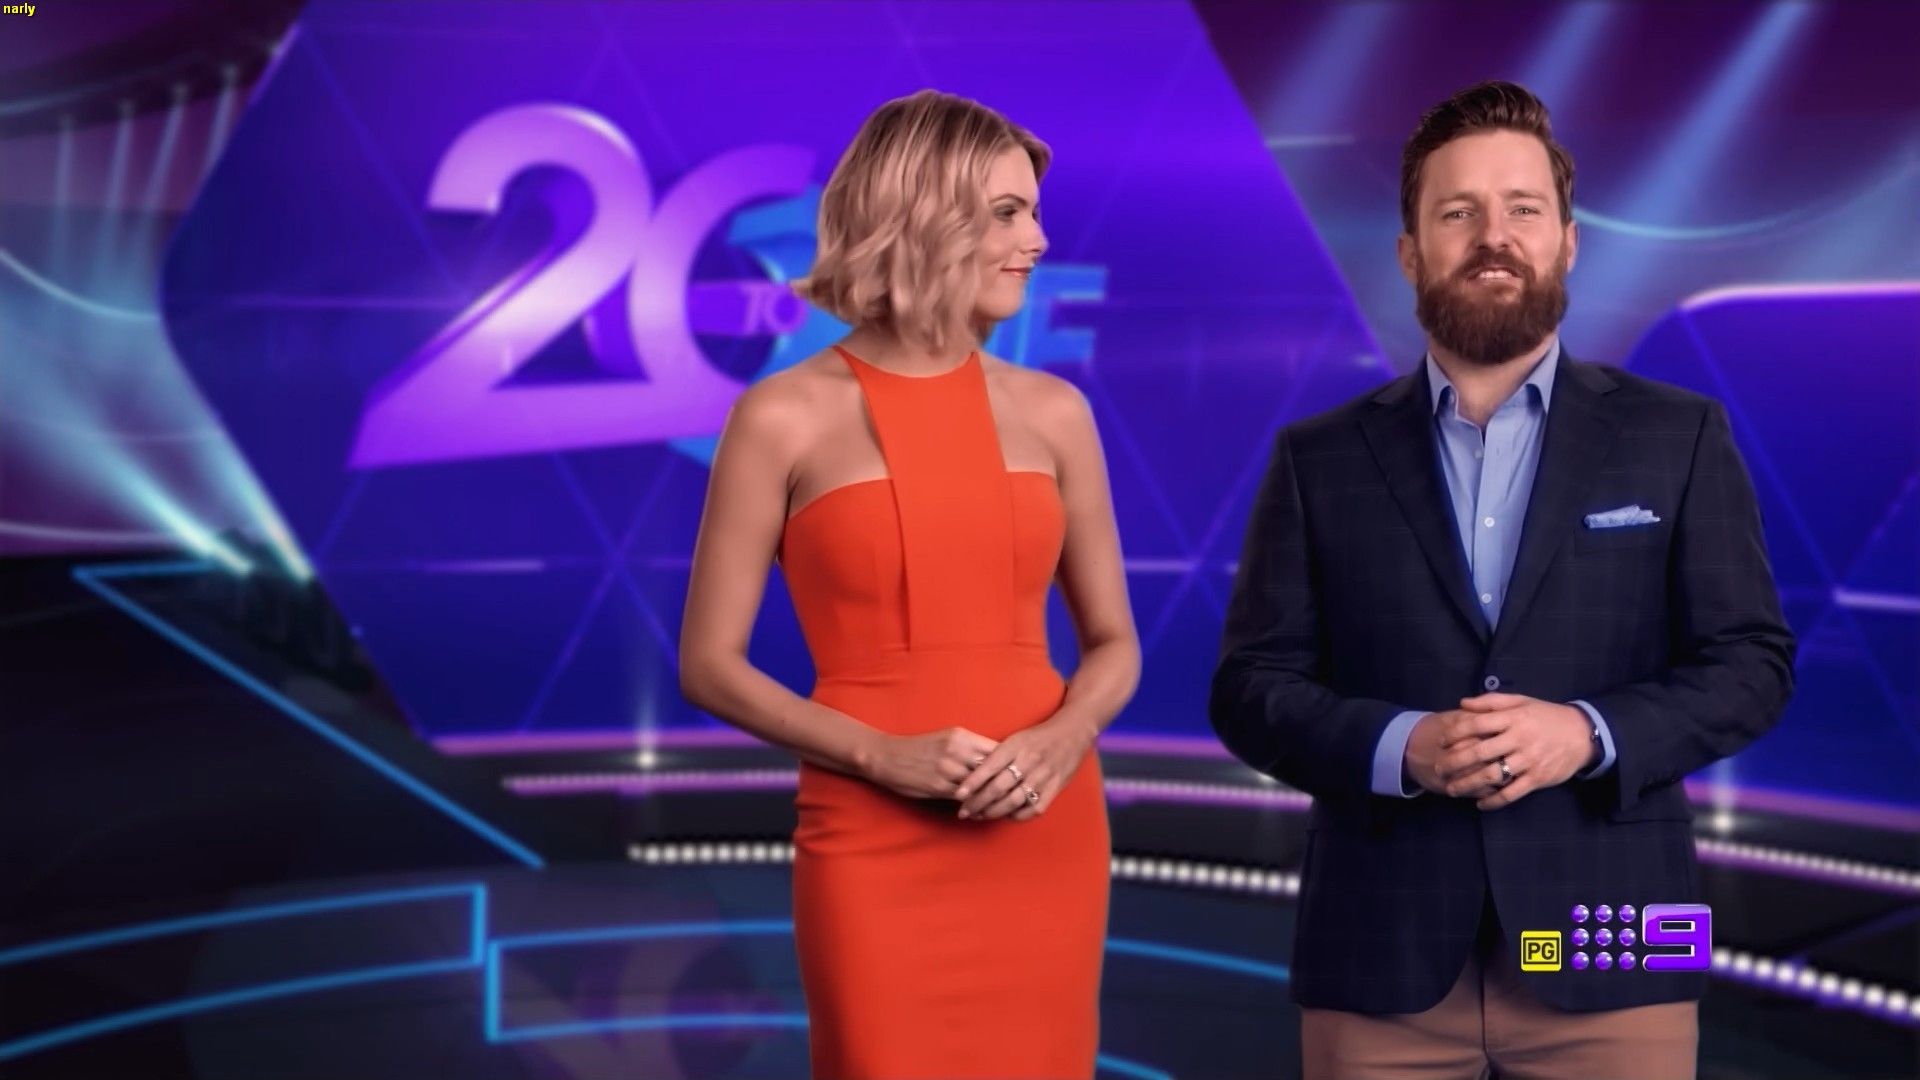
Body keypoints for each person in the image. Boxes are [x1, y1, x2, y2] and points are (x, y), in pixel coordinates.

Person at [1210, 81, 1796, 1080]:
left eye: (1523, 208)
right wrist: (1403, 747)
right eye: (1458, 213)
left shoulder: (1678, 434)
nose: (1494, 236)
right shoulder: (1318, 458)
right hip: (1378, 952)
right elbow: (1250, 687)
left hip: (1616, 947)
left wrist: (1587, 733)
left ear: (1568, 241)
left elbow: (1752, 664)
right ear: (1410, 253)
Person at [679, 89, 1139, 1078]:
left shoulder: (1056, 413)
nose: (1038, 240)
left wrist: (1062, 741)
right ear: (923, 215)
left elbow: (1114, 645)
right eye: (1008, 213)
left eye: (1034, 213)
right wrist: (881, 756)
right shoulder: (780, 418)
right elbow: (709, 665)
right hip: (869, 834)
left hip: (1043, 826)